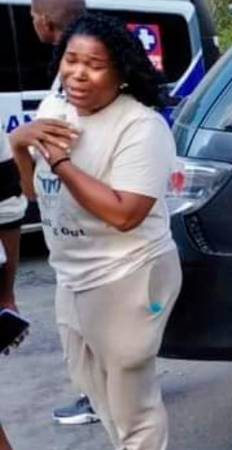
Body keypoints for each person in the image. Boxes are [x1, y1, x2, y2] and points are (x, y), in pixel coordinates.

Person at [7, 12, 180, 449]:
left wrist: (62, 164)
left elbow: (125, 214)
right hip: (72, 275)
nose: (77, 74)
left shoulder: (141, 126)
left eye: (95, 65)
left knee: (133, 406)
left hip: (129, 274)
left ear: (120, 72)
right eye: (71, 60)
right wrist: (19, 143)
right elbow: (32, 193)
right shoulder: (54, 107)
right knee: (97, 392)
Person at [10, 0, 103, 428]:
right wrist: (19, 146)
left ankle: (105, 397)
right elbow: (30, 188)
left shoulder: (83, 94)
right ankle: (97, 393)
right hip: (65, 244)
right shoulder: (57, 86)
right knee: (78, 335)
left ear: (44, 22)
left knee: (110, 347)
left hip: (97, 247)